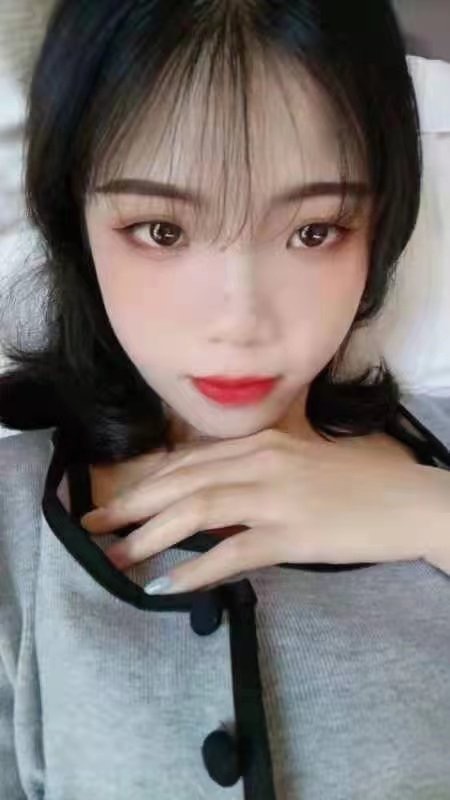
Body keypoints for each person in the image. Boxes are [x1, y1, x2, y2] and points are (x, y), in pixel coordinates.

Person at [0, 1, 449, 798]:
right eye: (162, 231)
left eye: (314, 231)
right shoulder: (15, 526)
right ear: (76, 223)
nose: (240, 322)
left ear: (382, 223)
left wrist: (433, 514)